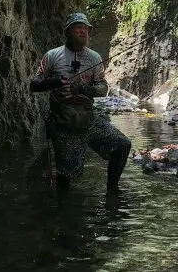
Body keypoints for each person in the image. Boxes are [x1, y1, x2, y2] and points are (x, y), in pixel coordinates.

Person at [30, 13, 131, 194]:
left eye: (86, 28)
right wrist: (54, 82)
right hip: (63, 123)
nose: (83, 31)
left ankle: (112, 192)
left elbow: (103, 88)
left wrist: (84, 89)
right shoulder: (52, 56)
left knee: (122, 145)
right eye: (78, 27)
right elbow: (34, 85)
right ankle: (63, 213)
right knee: (67, 179)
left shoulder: (94, 58)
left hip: (87, 118)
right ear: (68, 31)